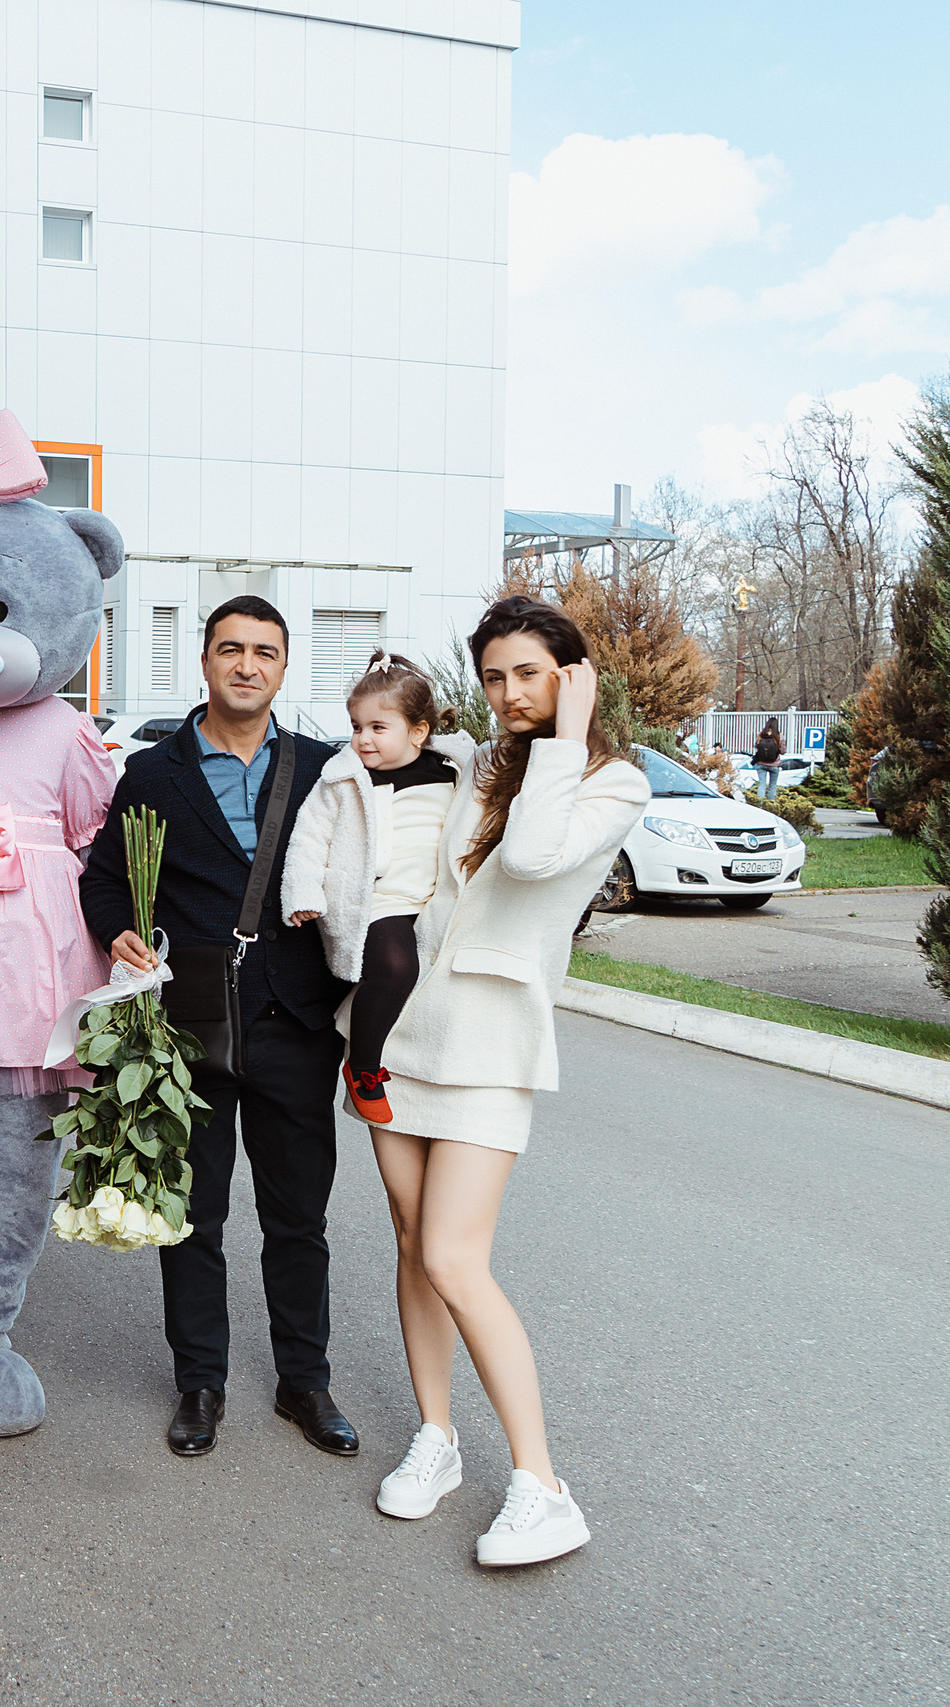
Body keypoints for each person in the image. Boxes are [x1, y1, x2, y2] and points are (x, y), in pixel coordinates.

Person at [365, 595, 647, 1568]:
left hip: (491, 1046)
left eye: (528, 672)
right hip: (404, 1034)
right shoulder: (477, 766)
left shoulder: (613, 783)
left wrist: (565, 736)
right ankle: (436, 1439)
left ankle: (542, 1483)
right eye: (493, 676)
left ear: (570, 674)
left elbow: (530, 860)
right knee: (409, 1242)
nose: (508, 692)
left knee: (454, 1256)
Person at [83, 596, 355, 1460]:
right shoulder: (153, 774)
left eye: (264, 652)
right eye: (230, 649)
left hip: (298, 1023)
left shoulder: (326, 768)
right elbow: (101, 880)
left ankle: (303, 1382)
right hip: (190, 1027)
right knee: (194, 1217)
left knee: (297, 1217)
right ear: (204, 663)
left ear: (283, 667)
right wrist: (115, 926)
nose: (247, 665)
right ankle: (200, 1381)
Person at [280, 652, 469, 1127]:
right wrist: (303, 892)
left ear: (418, 731)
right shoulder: (343, 779)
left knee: (430, 981)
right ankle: (362, 1065)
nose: (363, 739)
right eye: (356, 726)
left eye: (378, 728)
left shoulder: (451, 773)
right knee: (395, 966)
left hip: (431, 902)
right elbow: (308, 837)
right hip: (376, 901)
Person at [752, 718, 784, 799]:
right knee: (772, 786)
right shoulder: (779, 735)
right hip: (774, 764)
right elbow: (783, 751)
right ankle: (771, 804)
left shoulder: (760, 734)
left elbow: (756, 746)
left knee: (762, 784)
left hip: (761, 763)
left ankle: (759, 803)